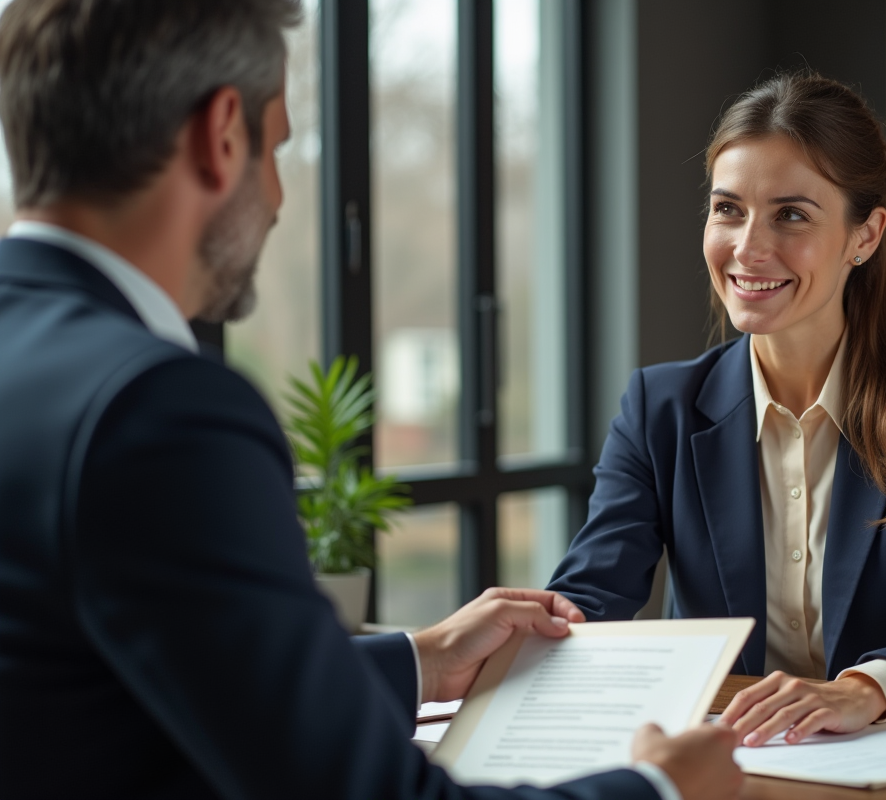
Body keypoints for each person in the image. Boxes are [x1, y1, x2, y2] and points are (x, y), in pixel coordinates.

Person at [0, 2, 743, 799]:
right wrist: (662, 789)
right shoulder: (157, 410)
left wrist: (419, 659)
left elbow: (133, 681)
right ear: (222, 135)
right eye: (277, 148)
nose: (279, 198)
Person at [548, 72, 886, 748]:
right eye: (728, 209)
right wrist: (537, 626)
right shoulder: (659, 406)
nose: (748, 247)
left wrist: (861, 691)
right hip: (727, 764)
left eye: (792, 215)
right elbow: (590, 600)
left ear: (863, 237)